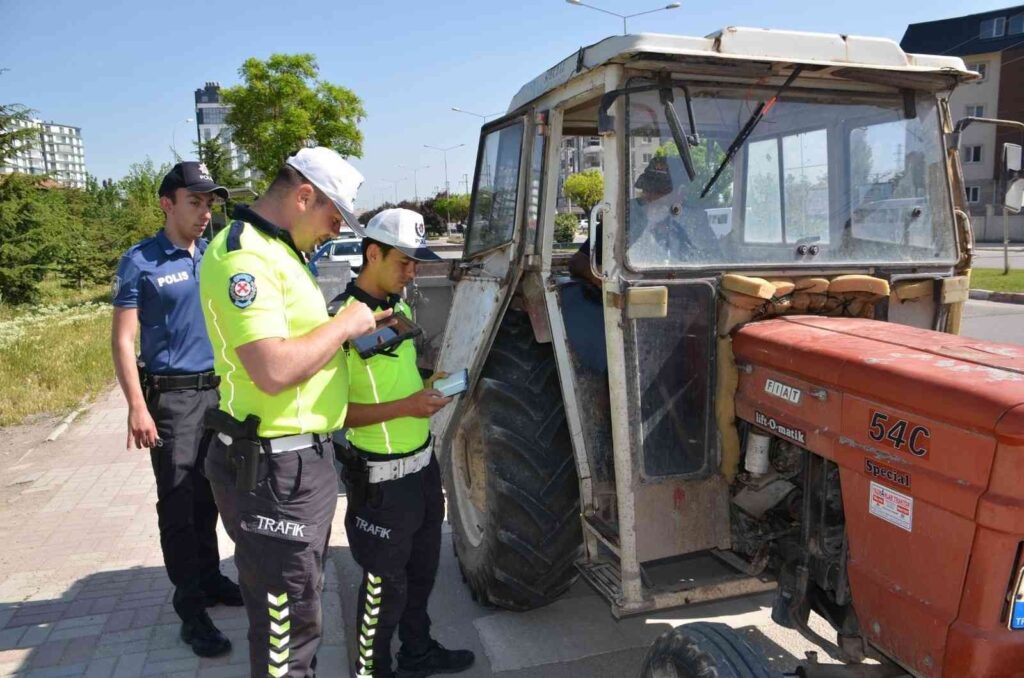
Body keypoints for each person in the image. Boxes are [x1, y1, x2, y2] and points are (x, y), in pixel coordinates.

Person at [199, 147, 385, 677]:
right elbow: (273, 369)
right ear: (304, 196)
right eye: (334, 217)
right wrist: (344, 325)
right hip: (274, 472)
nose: (335, 230)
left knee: (300, 607)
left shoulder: (279, 251)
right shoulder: (244, 257)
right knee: (287, 627)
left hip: (297, 465)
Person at [335, 208, 475, 678]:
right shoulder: (339, 322)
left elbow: (399, 377)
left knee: (421, 575)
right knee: (383, 588)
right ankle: (371, 669)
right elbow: (335, 414)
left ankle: (417, 651)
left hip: (421, 470)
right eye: (404, 262)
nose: (412, 272)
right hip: (380, 484)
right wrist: (408, 407)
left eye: (416, 263)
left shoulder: (402, 310)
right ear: (372, 254)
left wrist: (429, 385)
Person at [111, 161, 242, 658]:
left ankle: (209, 578)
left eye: (208, 203)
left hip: (216, 395)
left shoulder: (212, 255)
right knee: (179, 503)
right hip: (172, 400)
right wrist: (137, 407)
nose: (204, 212)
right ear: (167, 204)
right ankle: (190, 608)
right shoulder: (141, 261)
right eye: (194, 202)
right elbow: (123, 341)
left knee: (211, 495)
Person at [568, 154, 720, 283]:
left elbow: (716, 261)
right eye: (647, 188)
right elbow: (578, 261)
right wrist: (607, 282)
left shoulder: (695, 221)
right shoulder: (623, 217)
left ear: (680, 193)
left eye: (659, 191)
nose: (650, 196)